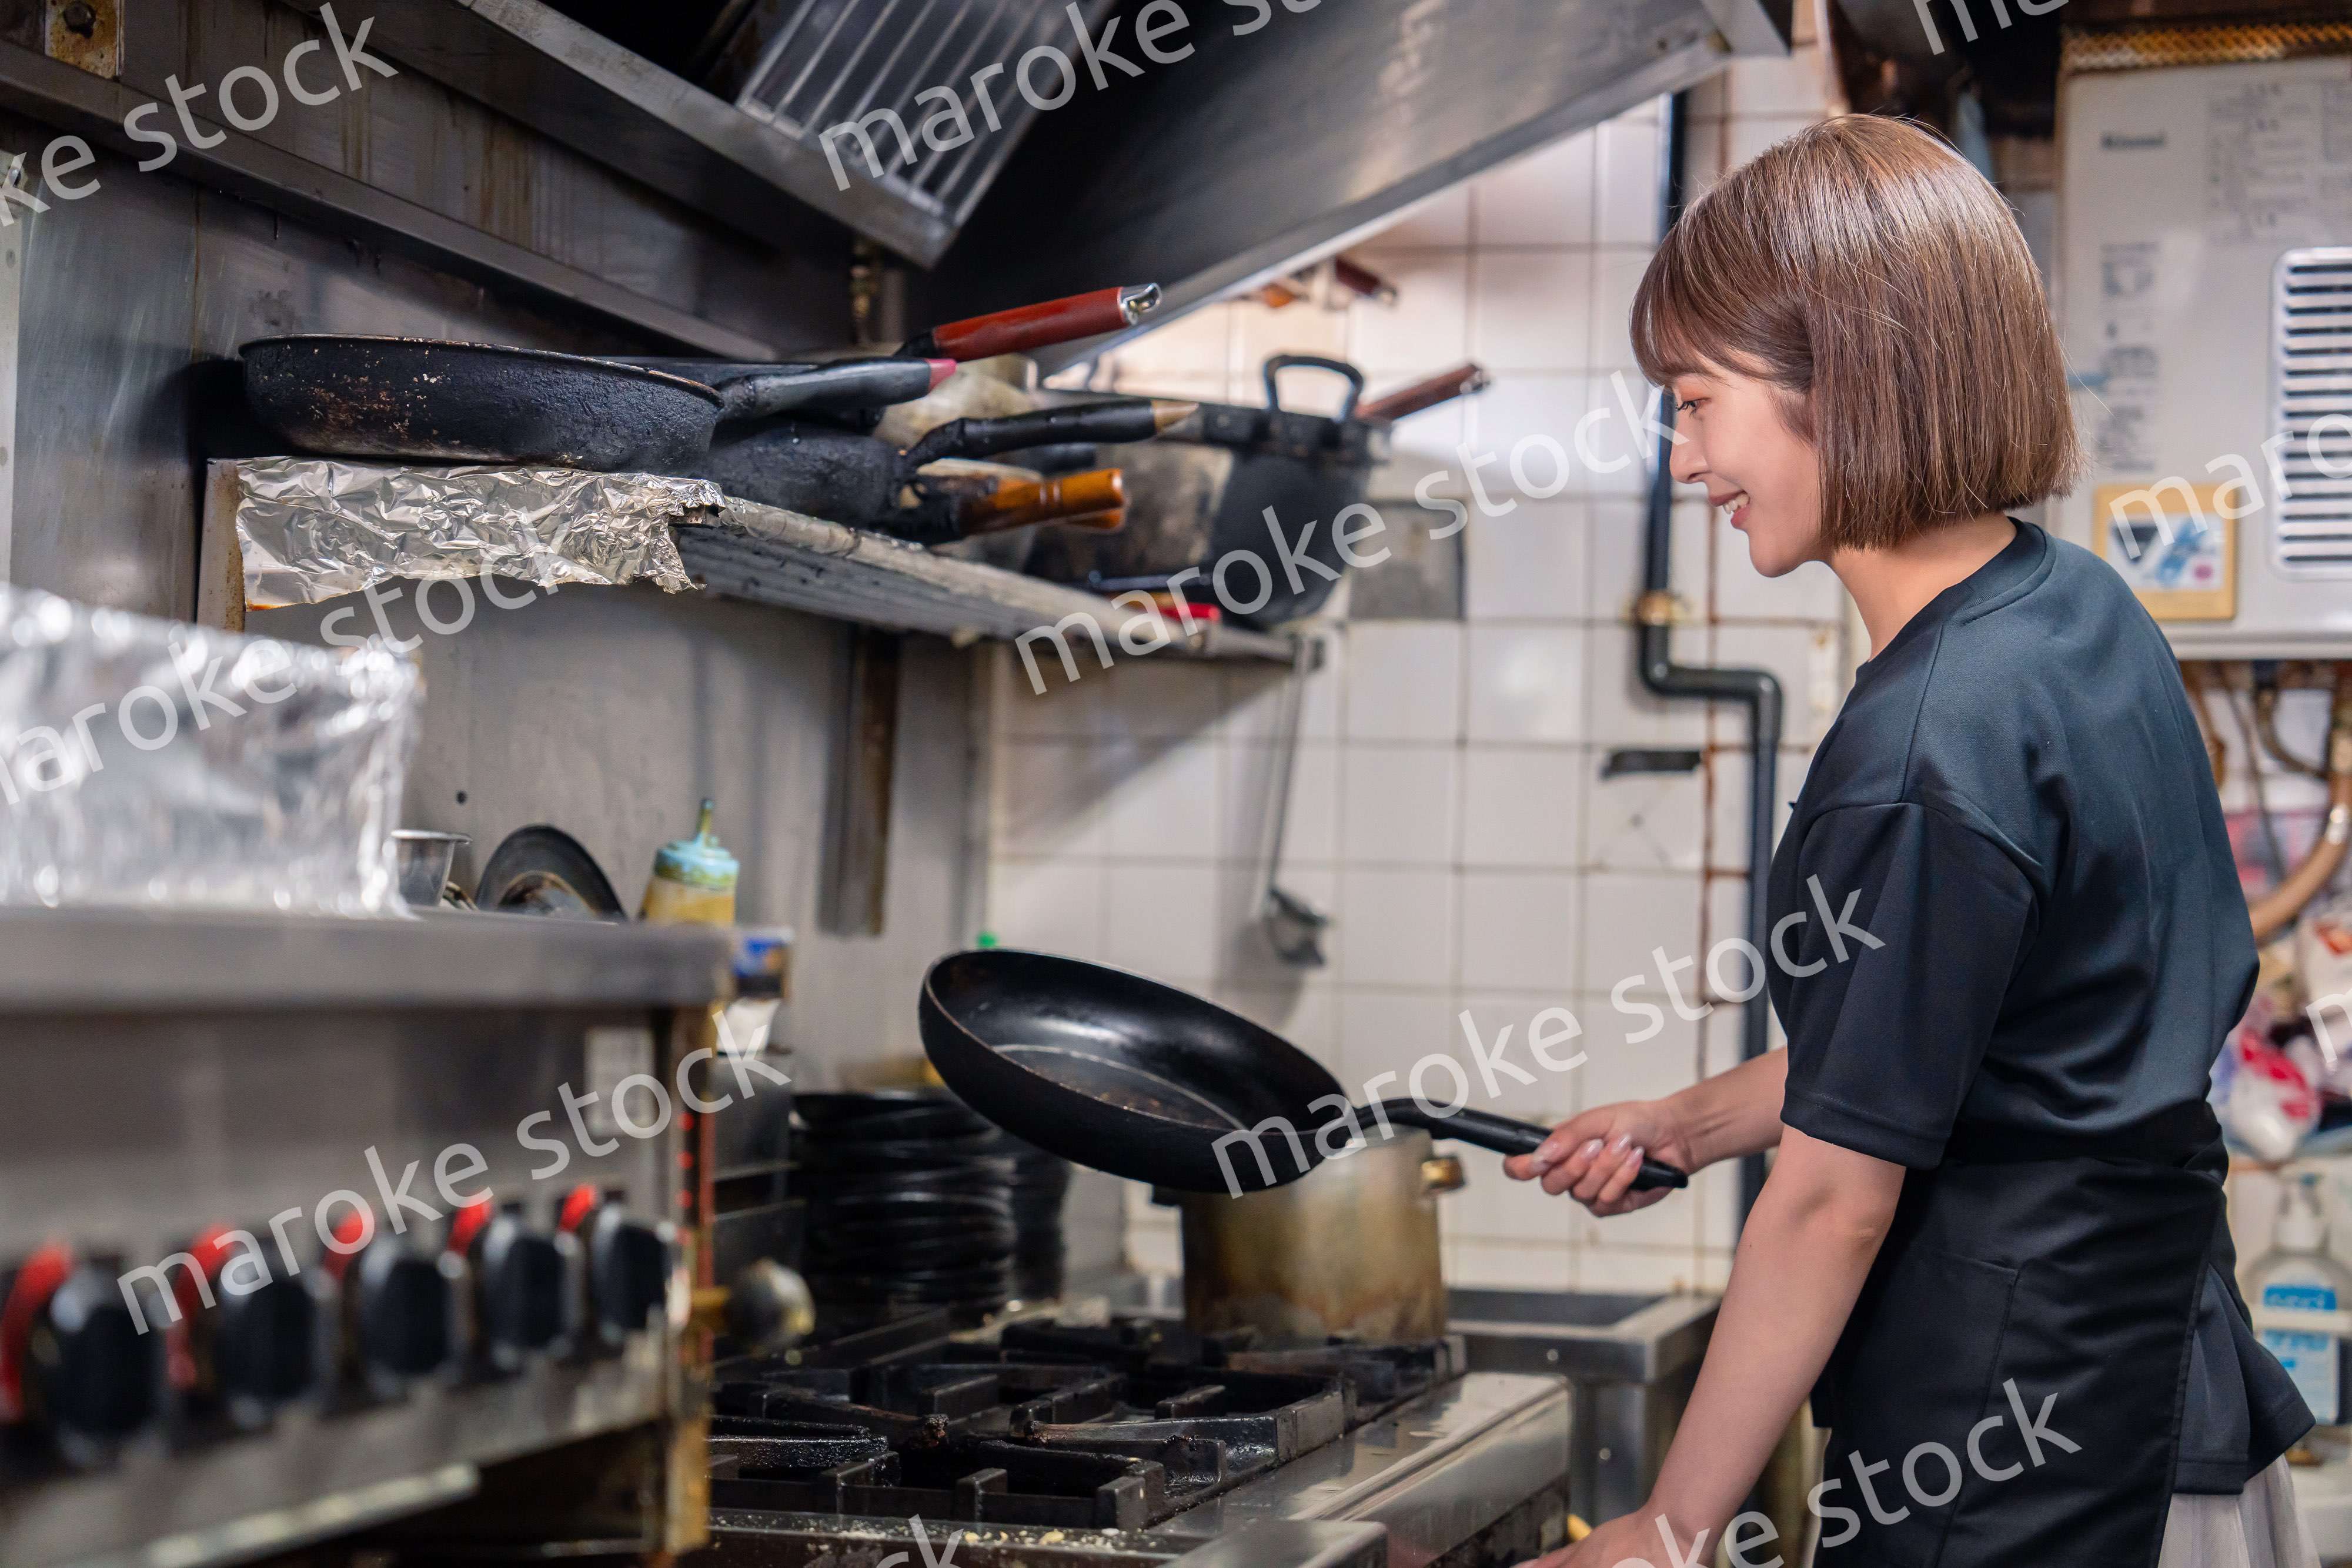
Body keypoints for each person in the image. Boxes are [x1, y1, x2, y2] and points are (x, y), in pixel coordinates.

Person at [1508, 116, 2317, 1567]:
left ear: (1843, 375)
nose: (1684, 457)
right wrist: (1684, 1125)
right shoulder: (2071, 610)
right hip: (2154, 1409)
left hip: (2007, 1469)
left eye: (1696, 401)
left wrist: (1671, 1526)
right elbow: (1973, 1041)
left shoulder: (1923, 741)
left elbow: (1830, 1196)